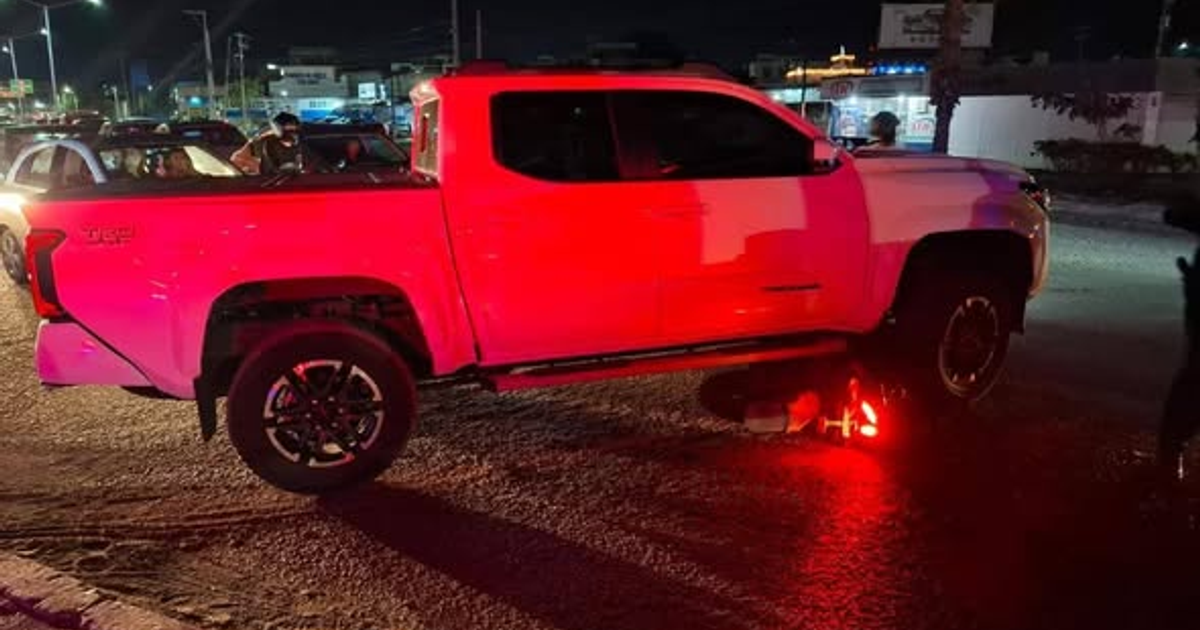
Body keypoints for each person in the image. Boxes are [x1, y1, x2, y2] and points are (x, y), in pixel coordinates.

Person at [231, 112, 309, 175]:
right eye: (288, 127)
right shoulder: (264, 141)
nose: (293, 131)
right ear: (278, 128)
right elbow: (237, 159)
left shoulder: (303, 143)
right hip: (269, 183)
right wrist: (255, 168)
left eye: (295, 127)